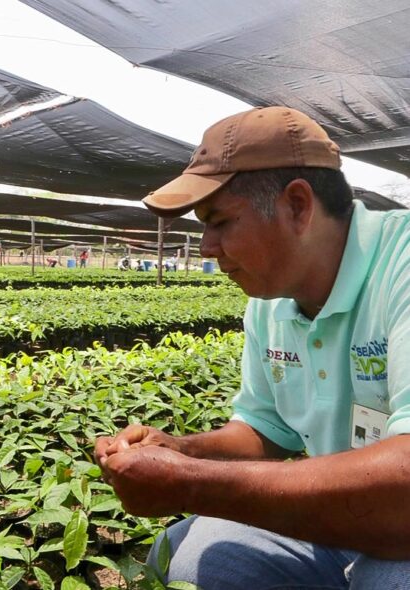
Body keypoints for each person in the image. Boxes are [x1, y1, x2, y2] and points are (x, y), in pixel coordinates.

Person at [95, 106, 410, 588]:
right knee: (192, 556)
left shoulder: (401, 266)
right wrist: (182, 450)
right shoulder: (270, 297)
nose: (205, 246)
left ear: (298, 205)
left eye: (220, 221)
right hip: (343, 518)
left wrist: (191, 483)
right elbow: (265, 430)